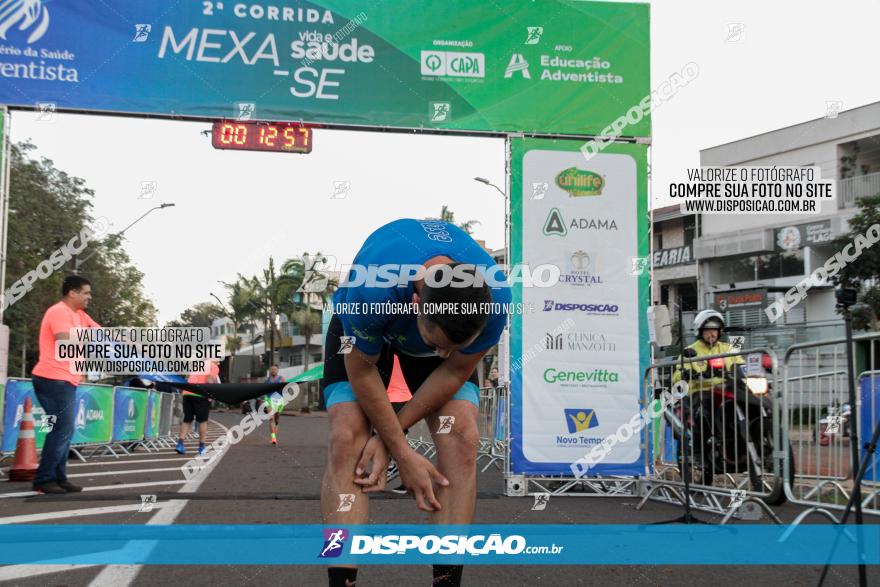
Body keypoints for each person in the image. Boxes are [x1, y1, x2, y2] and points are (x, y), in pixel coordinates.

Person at [320, 218, 510, 587]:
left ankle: (447, 581)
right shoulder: (372, 285)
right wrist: (403, 454)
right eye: (438, 343)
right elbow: (362, 372)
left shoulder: (496, 299)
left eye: (453, 347)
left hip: (431, 342)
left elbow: (454, 370)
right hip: (366, 336)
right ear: (416, 300)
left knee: (461, 436)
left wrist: (392, 437)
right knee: (348, 437)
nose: (444, 353)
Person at [29, 275, 101, 494]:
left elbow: (103, 334)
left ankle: (59, 478)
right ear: (73, 293)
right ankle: (44, 479)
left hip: (65, 379)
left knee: (64, 430)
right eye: (86, 292)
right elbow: (64, 340)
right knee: (61, 429)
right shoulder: (58, 312)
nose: (90, 297)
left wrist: (132, 345)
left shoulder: (79, 315)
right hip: (53, 378)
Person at [672, 309, 744, 392]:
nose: (712, 333)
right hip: (701, 393)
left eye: (715, 329)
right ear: (700, 331)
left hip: (727, 391)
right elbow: (677, 376)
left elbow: (742, 366)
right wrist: (685, 374)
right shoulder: (689, 351)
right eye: (708, 330)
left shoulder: (729, 349)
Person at [176, 360, 220, 455]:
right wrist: (209, 395)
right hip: (200, 394)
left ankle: (180, 444)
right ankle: (201, 446)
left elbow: (188, 378)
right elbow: (210, 380)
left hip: (187, 393)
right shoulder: (213, 366)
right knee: (202, 421)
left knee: (187, 419)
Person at [264, 364, 285, 445]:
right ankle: (273, 438)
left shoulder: (281, 379)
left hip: (278, 399)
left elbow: (285, 388)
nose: (273, 371)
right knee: (271, 418)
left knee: (276, 418)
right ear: (270, 370)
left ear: (278, 370)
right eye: (272, 369)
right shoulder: (266, 380)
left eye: (275, 369)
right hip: (268, 399)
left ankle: (275, 428)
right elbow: (263, 390)